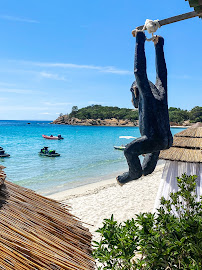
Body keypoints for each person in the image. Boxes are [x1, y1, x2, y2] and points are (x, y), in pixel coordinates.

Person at [117, 31, 173, 185]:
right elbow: (162, 74)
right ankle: (146, 169)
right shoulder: (161, 94)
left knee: (129, 151)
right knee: (147, 163)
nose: (132, 101)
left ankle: (133, 174)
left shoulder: (147, 96)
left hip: (154, 139)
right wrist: (158, 45)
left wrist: (140, 39)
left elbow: (139, 72)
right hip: (166, 139)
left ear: (136, 91)